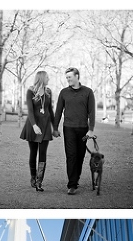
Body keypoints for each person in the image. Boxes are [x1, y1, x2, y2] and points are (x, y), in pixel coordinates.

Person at [52, 67, 97, 195]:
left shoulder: (88, 92)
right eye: (66, 77)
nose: (68, 80)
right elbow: (58, 111)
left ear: (77, 76)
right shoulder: (64, 92)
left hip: (83, 129)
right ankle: (72, 185)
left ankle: (75, 179)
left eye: (70, 77)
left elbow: (92, 112)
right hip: (69, 129)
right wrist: (55, 128)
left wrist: (91, 129)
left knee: (80, 156)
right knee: (71, 155)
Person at [19, 70, 59, 192]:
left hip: (45, 126)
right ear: (41, 78)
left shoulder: (48, 92)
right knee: (33, 152)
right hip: (33, 126)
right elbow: (30, 111)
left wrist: (55, 128)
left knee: (43, 153)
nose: (49, 79)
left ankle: (39, 181)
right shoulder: (30, 91)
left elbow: (50, 110)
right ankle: (33, 177)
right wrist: (34, 125)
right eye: (47, 77)